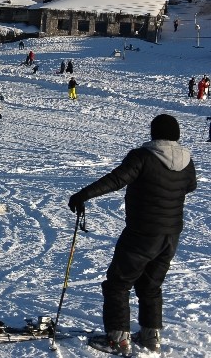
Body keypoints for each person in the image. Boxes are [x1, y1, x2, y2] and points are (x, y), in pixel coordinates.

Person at [68, 114, 197, 355]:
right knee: (151, 286)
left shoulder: (142, 157)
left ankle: (118, 339)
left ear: (153, 133)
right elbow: (190, 186)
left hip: (142, 232)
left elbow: (116, 179)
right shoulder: (187, 160)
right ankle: (151, 337)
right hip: (171, 235)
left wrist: (83, 195)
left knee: (118, 283)